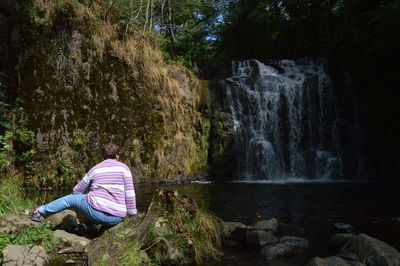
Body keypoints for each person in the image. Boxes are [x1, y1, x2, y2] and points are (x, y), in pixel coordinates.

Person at [29, 143, 137, 226]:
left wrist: (91, 189)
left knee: (72, 199)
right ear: (117, 156)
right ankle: (87, 226)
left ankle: (39, 211)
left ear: (103, 155)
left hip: (96, 214)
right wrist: (132, 214)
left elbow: (76, 191)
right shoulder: (124, 168)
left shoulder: (95, 169)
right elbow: (130, 194)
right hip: (116, 218)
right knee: (91, 199)